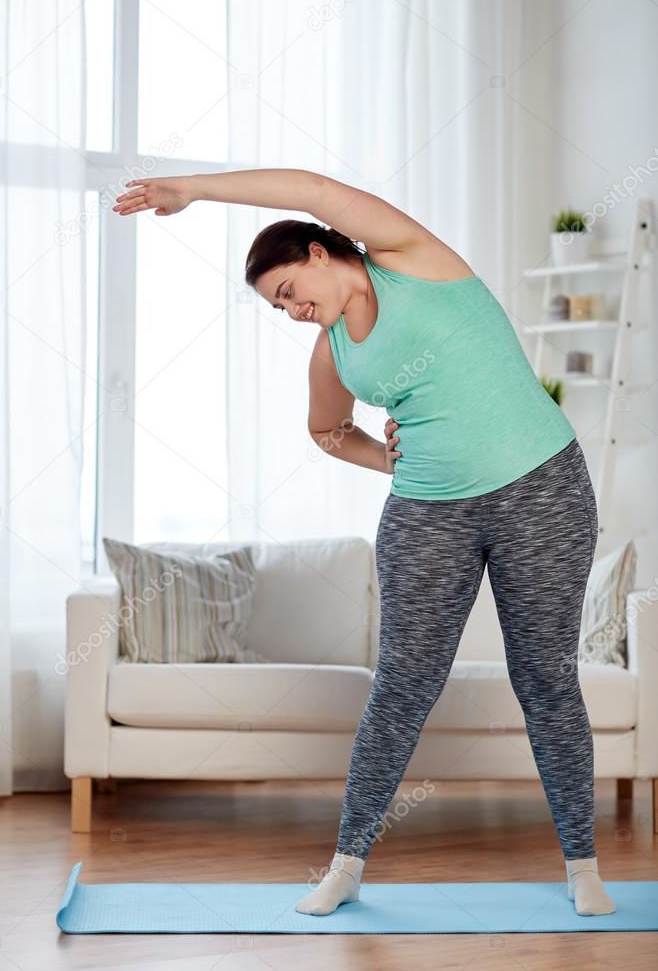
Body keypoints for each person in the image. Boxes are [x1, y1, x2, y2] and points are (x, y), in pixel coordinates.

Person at [113, 168, 615, 918]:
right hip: (426, 513)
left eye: (285, 291)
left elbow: (310, 188)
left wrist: (194, 189)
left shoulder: (412, 257)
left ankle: (583, 865)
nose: (289, 311)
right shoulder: (332, 353)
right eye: (277, 307)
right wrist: (388, 457)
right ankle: (345, 866)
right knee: (402, 685)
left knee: (545, 678)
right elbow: (325, 430)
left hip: (541, 489)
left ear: (317, 251)